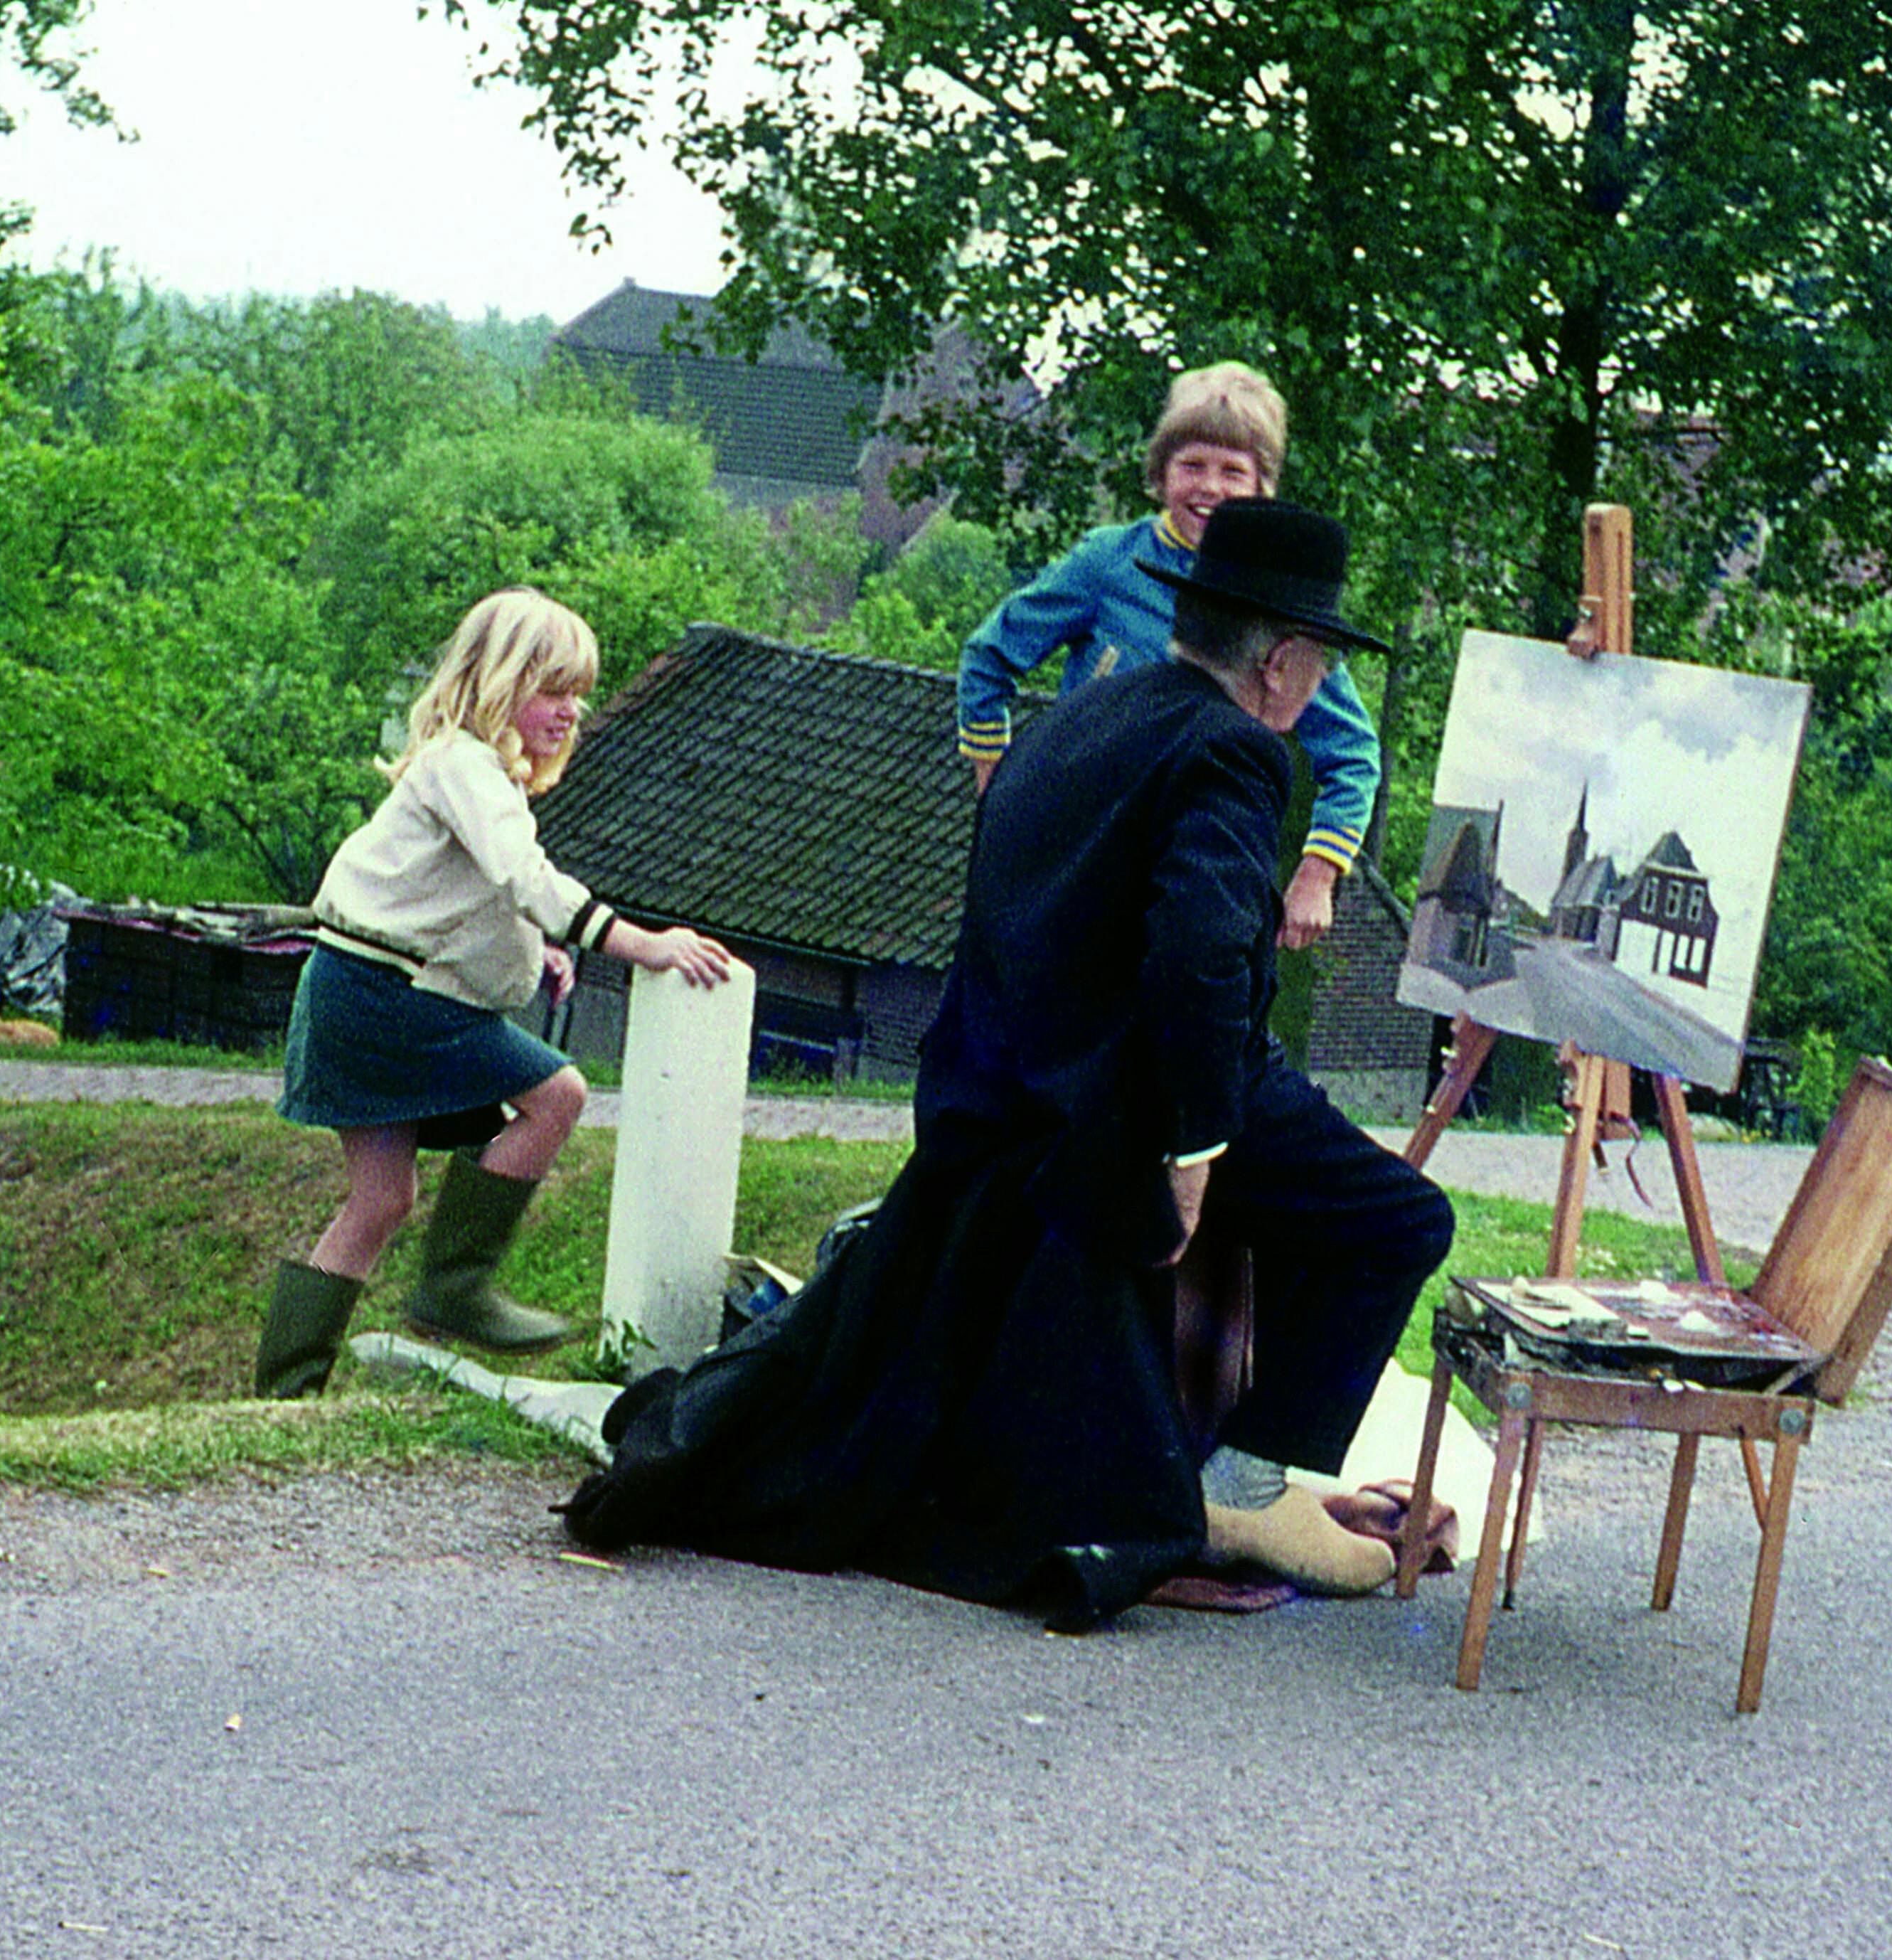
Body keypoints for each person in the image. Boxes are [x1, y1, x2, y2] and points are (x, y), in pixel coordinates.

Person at [563, 501, 1455, 1627]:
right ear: (1279, 663)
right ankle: (1244, 1484)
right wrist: (1192, 1147)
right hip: (1136, 1092)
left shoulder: (1073, 717)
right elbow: (1197, 963)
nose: (1318, 683)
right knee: (1399, 1220)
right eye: (1319, 659)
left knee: (1302, 1194)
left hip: (1004, 1095)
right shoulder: (1235, 748)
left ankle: (1202, 1445)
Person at [257, 588, 738, 1398]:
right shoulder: (463, 764)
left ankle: (285, 1390)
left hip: (352, 986)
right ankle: (456, 1287)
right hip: (386, 996)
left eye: (579, 694)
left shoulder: (473, 774)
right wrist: (641, 943)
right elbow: (522, 875)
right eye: (553, 690)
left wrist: (529, 950)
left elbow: (459, 894)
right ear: (498, 682)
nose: (570, 711)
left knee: (380, 1199)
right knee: (558, 1095)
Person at [956, 361, 1382, 949]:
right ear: (1160, 473)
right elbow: (988, 658)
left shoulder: (1280, 605)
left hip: (1199, 870)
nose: (1211, 488)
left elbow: (1354, 751)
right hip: (1082, 856)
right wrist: (999, 793)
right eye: (1192, 466)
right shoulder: (1109, 562)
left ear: (1263, 489)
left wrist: (1318, 873)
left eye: (1233, 472)